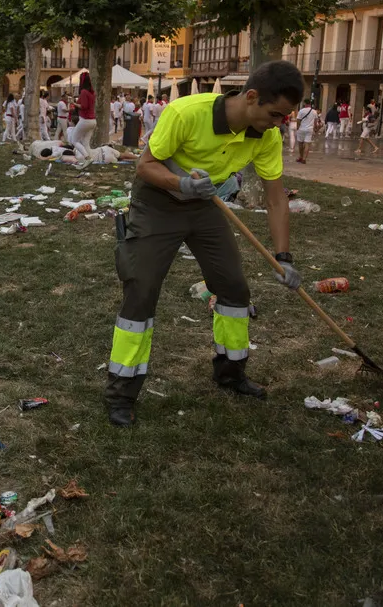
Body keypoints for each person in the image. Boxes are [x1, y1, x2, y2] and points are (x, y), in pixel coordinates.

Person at [103, 60, 304, 428]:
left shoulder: (266, 136)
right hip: (158, 201)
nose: (277, 124)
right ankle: (121, 392)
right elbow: (145, 165)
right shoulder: (186, 112)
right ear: (252, 96)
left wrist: (283, 257)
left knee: (233, 288)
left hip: (206, 207)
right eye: (275, 114)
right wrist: (181, 185)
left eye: (284, 119)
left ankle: (230, 373)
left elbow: (277, 199)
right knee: (142, 289)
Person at [72, 72, 96, 154]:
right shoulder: (92, 93)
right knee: (86, 143)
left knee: (74, 140)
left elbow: (84, 106)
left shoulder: (84, 92)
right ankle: (91, 158)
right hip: (93, 120)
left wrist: (74, 103)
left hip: (85, 120)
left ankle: (86, 157)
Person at [295, 98, 318, 164]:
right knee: (307, 144)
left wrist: (297, 128)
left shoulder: (301, 111)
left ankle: (301, 157)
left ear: (304, 103)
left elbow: (298, 120)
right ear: (310, 103)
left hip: (301, 129)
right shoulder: (314, 111)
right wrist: (315, 128)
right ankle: (304, 159)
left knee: (300, 144)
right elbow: (315, 122)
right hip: (309, 129)